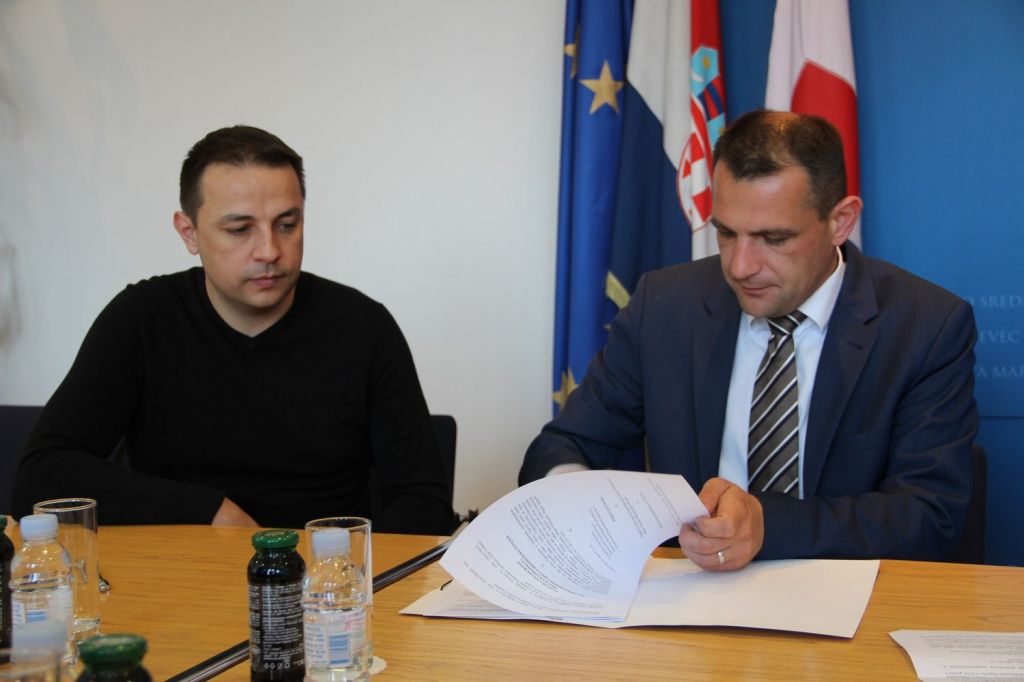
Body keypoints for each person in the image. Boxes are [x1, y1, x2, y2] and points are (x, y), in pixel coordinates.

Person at [520, 110, 978, 570]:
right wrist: (572, 499)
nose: (740, 267)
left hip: (848, 594)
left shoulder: (925, 326)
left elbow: (930, 516)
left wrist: (767, 525)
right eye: (726, 233)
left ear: (841, 221)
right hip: (691, 591)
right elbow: (563, 446)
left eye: (773, 238)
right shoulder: (663, 306)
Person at [13, 125, 453, 534]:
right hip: (182, 569)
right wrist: (207, 511)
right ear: (189, 233)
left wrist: (346, 569)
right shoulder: (142, 319)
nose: (269, 251)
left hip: (325, 575)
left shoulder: (364, 327)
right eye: (240, 229)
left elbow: (424, 503)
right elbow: (41, 476)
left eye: (287, 225)